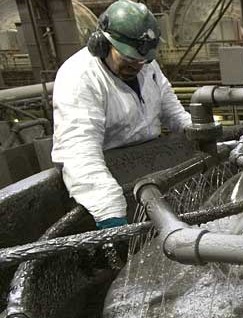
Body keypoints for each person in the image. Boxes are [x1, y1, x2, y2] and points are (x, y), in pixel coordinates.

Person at [52, 0, 191, 229]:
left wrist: (198, 134)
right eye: (128, 58)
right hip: (110, 176)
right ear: (102, 44)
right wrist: (109, 210)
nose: (137, 66)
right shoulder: (79, 78)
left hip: (151, 165)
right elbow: (80, 152)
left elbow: (172, 110)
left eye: (142, 60)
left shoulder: (146, 66)